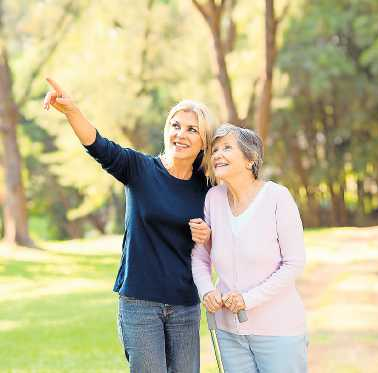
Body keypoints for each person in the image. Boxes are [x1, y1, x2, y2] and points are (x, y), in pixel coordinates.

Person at [43, 78, 217, 373]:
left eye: (192, 129)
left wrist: (209, 235)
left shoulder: (209, 186)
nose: (181, 134)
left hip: (185, 304)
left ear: (204, 141)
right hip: (140, 302)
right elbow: (99, 145)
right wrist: (72, 111)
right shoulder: (140, 170)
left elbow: (225, 237)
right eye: (175, 125)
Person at [192, 123, 307, 373]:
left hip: (278, 329)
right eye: (215, 150)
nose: (217, 154)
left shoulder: (278, 197)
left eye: (226, 148)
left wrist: (248, 299)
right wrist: (206, 290)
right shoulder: (213, 198)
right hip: (228, 330)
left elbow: (294, 263)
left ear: (250, 159)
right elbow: (201, 255)